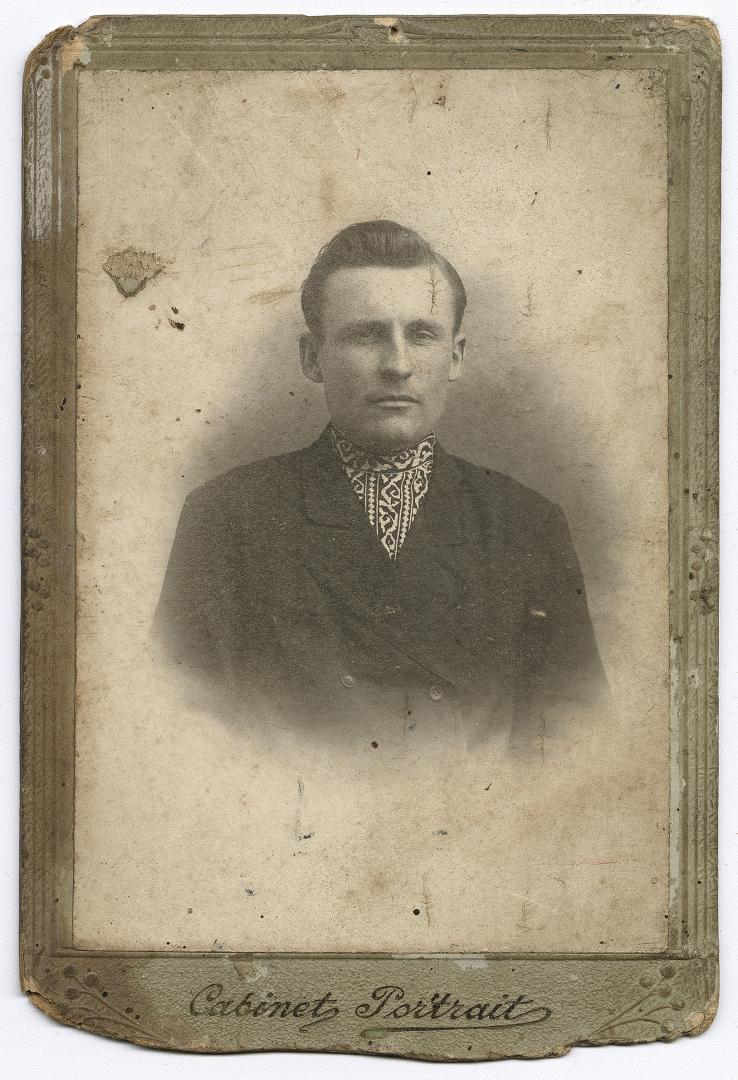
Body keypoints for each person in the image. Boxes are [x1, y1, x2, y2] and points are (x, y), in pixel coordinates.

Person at [154, 220, 606, 748]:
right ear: (312, 357)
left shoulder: (526, 524)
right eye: (366, 334)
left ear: (455, 356)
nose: (397, 365)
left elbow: (577, 738)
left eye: (422, 333)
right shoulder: (228, 517)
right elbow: (182, 733)